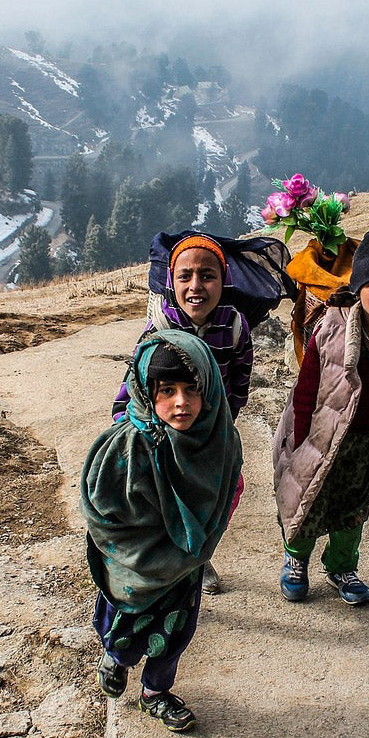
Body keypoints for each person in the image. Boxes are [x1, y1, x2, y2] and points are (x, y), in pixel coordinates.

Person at [84, 330, 243, 732]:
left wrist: (198, 538)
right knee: (124, 626)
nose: (181, 403)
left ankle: (155, 693)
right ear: (144, 391)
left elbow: (227, 492)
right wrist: (144, 546)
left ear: (208, 387)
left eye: (192, 389)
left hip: (185, 567)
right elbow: (104, 512)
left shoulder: (219, 442)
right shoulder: (128, 446)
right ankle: (115, 659)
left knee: (174, 634)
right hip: (135, 568)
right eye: (167, 390)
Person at [272, 225, 369, 605]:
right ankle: (296, 560)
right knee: (308, 499)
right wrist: (300, 439)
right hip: (322, 434)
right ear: (358, 289)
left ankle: (342, 566)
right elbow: (306, 388)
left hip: (367, 443)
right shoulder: (331, 327)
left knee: (353, 510)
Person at [111, 234, 253, 594]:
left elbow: (240, 379)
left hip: (209, 433)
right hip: (164, 434)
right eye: (184, 276)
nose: (196, 286)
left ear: (224, 280)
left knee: (223, 490)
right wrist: (124, 425)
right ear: (171, 282)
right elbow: (136, 382)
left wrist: (222, 425)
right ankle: (163, 563)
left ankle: (198, 554)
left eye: (208, 276)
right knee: (167, 498)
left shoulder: (234, 327)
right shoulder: (160, 327)